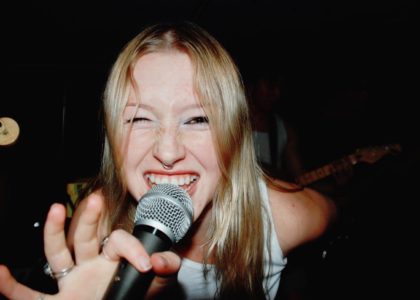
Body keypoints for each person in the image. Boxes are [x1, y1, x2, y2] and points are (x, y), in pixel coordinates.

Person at [0, 21, 336, 299]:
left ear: (234, 136)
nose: (168, 152)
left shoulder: (283, 218)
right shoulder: (94, 227)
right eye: (140, 119)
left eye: (198, 119)